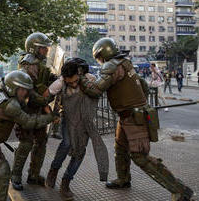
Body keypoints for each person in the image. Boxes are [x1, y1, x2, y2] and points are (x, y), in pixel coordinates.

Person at [80, 38, 193, 201]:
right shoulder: (125, 63)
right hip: (129, 115)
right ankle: (123, 179)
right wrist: (139, 103)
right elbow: (142, 85)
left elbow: (95, 90)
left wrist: (81, 76)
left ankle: (180, 190)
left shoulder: (112, 66)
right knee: (120, 149)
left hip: (133, 117)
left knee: (140, 156)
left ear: (101, 54)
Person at [0, 70, 58, 201]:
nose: (25, 93)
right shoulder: (9, 105)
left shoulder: (7, 96)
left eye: (26, 90)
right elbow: (28, 121)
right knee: (2, 171)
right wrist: (50, 117)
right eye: (22, 90)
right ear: (13, 88)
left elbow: (31, 101)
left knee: (2, 174)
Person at [45, 58, 109, 200]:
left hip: (85, 122)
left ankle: (66, 182)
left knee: (79, 152)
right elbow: (44, 98)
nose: (73, 84)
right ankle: (53, 170)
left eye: (75, 81)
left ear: (79, 74)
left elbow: (98, 91)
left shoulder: (89, 78)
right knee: (67, 144)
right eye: (70, 82)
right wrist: (51, 114)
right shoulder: (60, 83)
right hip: (68, 120)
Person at [11, 32, 57, 190]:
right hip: (27, 109)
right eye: (43, 48)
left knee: (41, 143)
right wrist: (43, 100)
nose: (46, 50)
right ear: (34, 48)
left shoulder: (39, 63)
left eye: (46, 48)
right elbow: (27, 90)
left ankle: (33, 175)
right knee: (26, 144)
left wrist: (56, 79)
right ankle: (15, 175)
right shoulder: (28, 64)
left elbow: (44, 79)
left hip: (38, 110)